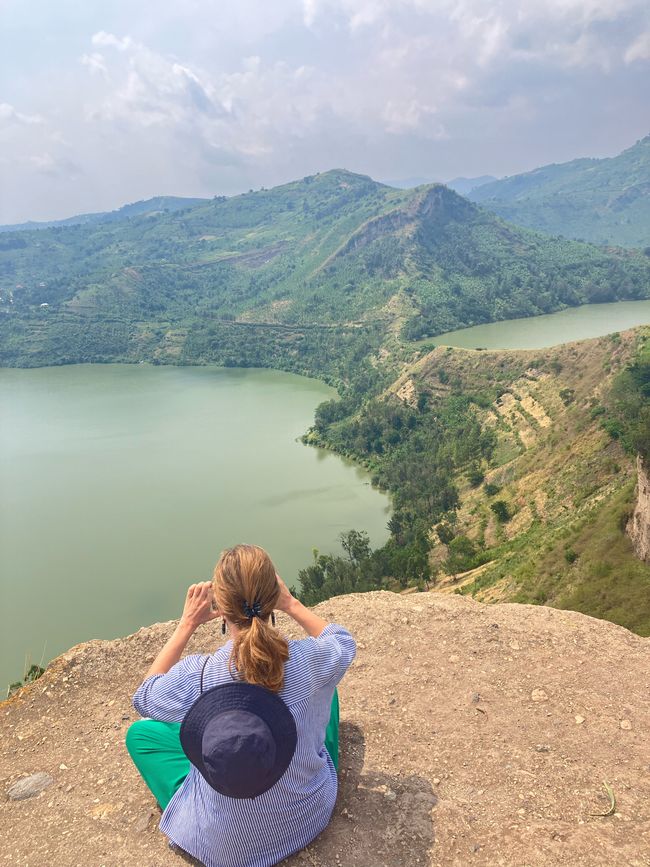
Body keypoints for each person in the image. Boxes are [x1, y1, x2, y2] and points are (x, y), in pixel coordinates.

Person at [125, 544, 356, 867]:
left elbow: (145, 696)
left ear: (220, 606)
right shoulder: (309, 660)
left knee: (140, 735)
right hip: (307, 817)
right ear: (273, 596)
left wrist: (187, 624)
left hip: (228, 849)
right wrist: (291, 603)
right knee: (327, 687)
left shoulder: (199, 677)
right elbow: (343, 642)